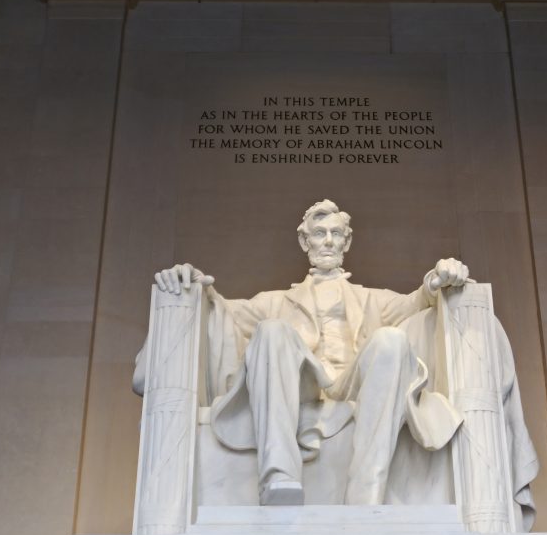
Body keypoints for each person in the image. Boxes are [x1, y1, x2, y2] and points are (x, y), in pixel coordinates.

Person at [147, 199, 469, 506]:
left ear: (347, 241)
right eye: (319, 233)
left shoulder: (372, 299)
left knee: (392, 341)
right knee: (272, 330)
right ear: (305, 242)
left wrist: (437, 278)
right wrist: (191, 285)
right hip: (302, 386)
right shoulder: (275, 302)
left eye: (336, 233)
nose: (328, 241)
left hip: (351, 384)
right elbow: (222, 311)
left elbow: (417, 301)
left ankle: (365, 490)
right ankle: (278, 476)